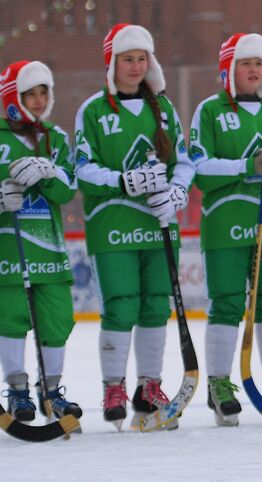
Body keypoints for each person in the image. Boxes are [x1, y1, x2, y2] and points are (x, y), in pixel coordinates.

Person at [74, 23, 193, 431]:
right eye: (128, 59)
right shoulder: (93, 110)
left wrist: (177, 193)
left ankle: (149, 387)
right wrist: (123, 181)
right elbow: (82, 171)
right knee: (122, 304)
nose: (136, 66)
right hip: (113, 225)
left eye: (142, 58)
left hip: (159, 222)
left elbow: (184, 162)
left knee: (156, 304)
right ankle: (113, 387)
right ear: (112, 62)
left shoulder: (164, 108)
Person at [188, 33, 262, 426]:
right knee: (227, 304)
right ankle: (219, 384)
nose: (254, 70)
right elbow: (199, 169)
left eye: (259, 63)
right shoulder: (209, 111)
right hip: (225, 224)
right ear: (228, 70)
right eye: (245, 63)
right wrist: (246, 167)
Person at [0, 60, 81, 422]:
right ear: (13, 96)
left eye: (44, 91)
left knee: (57, 318)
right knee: (11, 318)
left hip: (48, 249)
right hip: (5, 248)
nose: (40, 99)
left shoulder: (55, 138)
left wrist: (49, 171)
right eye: (31, 93)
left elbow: (67, 189)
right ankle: (17, 391)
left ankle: (52, 392)